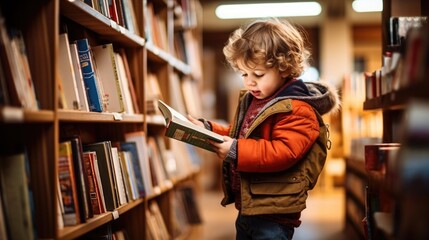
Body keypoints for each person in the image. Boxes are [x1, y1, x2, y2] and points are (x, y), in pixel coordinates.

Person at [188, 18, 339, 240]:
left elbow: (284, 152)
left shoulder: (298, 109)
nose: (249, 82)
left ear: (284, 68)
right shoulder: (257, 100)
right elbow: (241, 135)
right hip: (250, 206)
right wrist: (209, 129)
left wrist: (236, 151)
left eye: (258, 75)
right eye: (244, 74)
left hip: (273, 214)